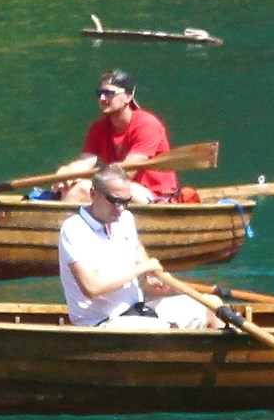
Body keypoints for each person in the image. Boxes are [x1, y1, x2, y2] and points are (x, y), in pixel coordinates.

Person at [56, 166, 216, 329]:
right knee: (165, 329)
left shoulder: (125, 219)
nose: (120, 209)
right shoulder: (74, 229)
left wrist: (152, 274)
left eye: (126, 202)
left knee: (213, 305)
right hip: (99, 322)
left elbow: (136, 247)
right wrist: (142, 269)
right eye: (113, 201)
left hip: (138, 310)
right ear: (93, 194)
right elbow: (92, 287)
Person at [56, 69, 177, 200]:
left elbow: (124, 174)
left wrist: (81, 181)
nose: (102, 98)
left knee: (80, 189)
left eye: (109, 93)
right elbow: (86, 162)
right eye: (100, 93)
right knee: (70, 187)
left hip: (155, 196)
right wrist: (67, 173)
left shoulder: (147, 124)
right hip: (118, 189)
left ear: (128, 97)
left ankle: (61, 219)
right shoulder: (98, 127)